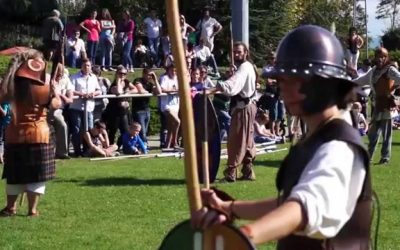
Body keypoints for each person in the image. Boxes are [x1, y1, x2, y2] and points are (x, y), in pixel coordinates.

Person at [193, 25, 372, 249]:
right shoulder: (318, 136)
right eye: (282, 81)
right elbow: (290, 201)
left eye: (294, 80)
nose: (284, 90)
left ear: (323, 85)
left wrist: (245, 236)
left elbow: (304, 207)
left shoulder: (338, 149)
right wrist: (230, 208)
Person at [0, 49, 62, 217]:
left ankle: (11, 207)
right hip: (39, 133)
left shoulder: (11, 81)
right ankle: (32, 209)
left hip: (15, 133)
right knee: (37, 175)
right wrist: (55, 91)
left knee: (14, 174)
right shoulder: (45, 82)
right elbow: (56, 104)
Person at [212, 42, 257, 182]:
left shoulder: (244, 68)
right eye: (234, 52)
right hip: (247, 107)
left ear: (245, 53)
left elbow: (232, 86)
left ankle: (231, 173)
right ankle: (248, 171)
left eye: (239, 52)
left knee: (236, 140)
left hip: (243, 108)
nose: (236, 54)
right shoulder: (245, 67)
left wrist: (215, 86)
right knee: (247, 141)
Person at [354, 47, 400, 164]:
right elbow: (362, 80)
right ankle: (368, 156)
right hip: (377, 105)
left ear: (386, 57)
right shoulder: (373, 70)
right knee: (373, 134)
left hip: (387, 105)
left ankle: (385, 158)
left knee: (386, 134)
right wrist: (349, 82)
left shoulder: (390, 70)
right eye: (378, 56)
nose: (380, 59)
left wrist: (392, 91)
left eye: (383, 57)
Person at [69, 59, 102, 157]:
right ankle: (77, 151)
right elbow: (70, 90)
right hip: (76, 107)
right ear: (81, 66)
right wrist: (81, 94)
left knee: (89, 129)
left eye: (88, 65)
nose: (87, 67)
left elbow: (99, 90)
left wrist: (92, 94)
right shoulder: (74, 77)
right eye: (85, 65)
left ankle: (88, 150)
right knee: (77, 129)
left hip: (89, 108)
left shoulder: (94, 78)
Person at [103, 65, 138, 147]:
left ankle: (119, 146)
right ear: (116, 73)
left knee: (125, 130)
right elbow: (118, 91)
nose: (122, 75)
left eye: (124, 74)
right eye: (120, 73)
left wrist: (127, 93)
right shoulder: (114, 85)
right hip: (114, 112)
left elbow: (136, 89)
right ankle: (110, 146)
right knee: (113, 130)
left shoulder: (126, 82)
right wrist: (118, 80)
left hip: (124, 112)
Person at [48, 67, 74, 159]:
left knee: (62, 125)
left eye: (61, 74)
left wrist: (63, 96)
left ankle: (62, 153)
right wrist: (60, 95)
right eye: (58, 74)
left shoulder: (65, 79)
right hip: (46, 109)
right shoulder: (48, 78)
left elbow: (70, 98)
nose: (59, 76)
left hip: (58, 110)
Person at [153, 64, 180, 149]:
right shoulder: (164, 78)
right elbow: (162, 89)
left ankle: (167, 146)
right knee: (177, 122)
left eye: (175, 71)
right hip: (166, 106)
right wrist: (174, 90)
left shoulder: (177, 79)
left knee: (171, 126)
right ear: (168, 70)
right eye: (172, 70)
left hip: (175, 104)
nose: (174, 72)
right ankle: (175, 142)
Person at [131, 68, 158, 145]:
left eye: (151, 75)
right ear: (144, 74)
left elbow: (158, 91)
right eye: (148, 75)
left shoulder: (150, 84)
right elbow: (141, 90)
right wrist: (149, 92)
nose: (150, 77)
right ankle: (144, 146)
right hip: (138, 110)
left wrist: (155, 79)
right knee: (141, 131)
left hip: (147, 110)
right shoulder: (138, 80)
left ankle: (140, 145)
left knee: (144, 131)